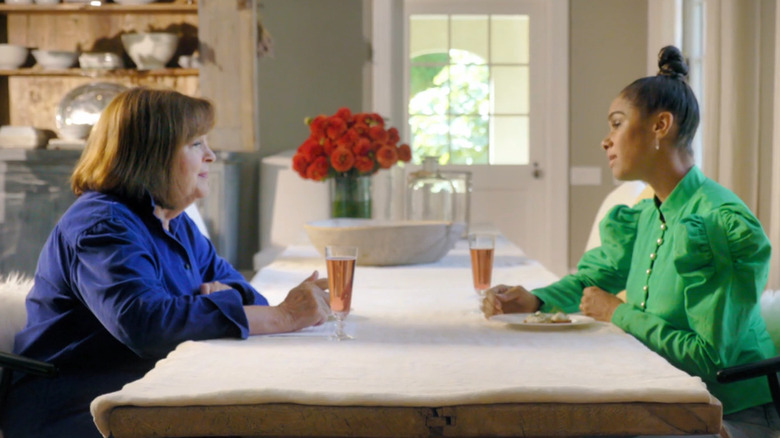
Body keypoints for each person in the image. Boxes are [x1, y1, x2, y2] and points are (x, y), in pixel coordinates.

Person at [482, 46, 780, 438]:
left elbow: (710, 358)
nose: (606, 141)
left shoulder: (718, 223)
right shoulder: (643, 214)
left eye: (617, 124)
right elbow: (592, 283)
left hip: (727, 416)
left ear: (661, 126)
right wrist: (535, 301)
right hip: (659, 401)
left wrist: (618, 313)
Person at [0, 87, 331, 438]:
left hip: (140, 397)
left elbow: (248, 297)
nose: (212, 156)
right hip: (76, 410)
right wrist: (284, 316)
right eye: (196, 144)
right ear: (151, 156)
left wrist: (215, 307)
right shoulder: (102, 225)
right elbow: (147, 326)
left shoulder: (174, 222)